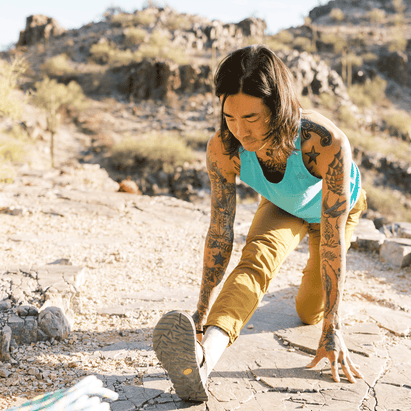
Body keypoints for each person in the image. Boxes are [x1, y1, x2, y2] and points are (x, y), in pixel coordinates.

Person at [153, 44, 368, 402]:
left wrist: (333, 326)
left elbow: (332, 240)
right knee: (255, 261)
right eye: (230, 117)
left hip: (333, 213)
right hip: (283, 206)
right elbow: (220, 232)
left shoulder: (325, 143)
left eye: (251, 118)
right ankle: (204, 360)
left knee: (306, 311)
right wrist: (201, 313)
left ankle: (305, 298)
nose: (239, 130)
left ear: (277, 106)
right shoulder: (223, 148)